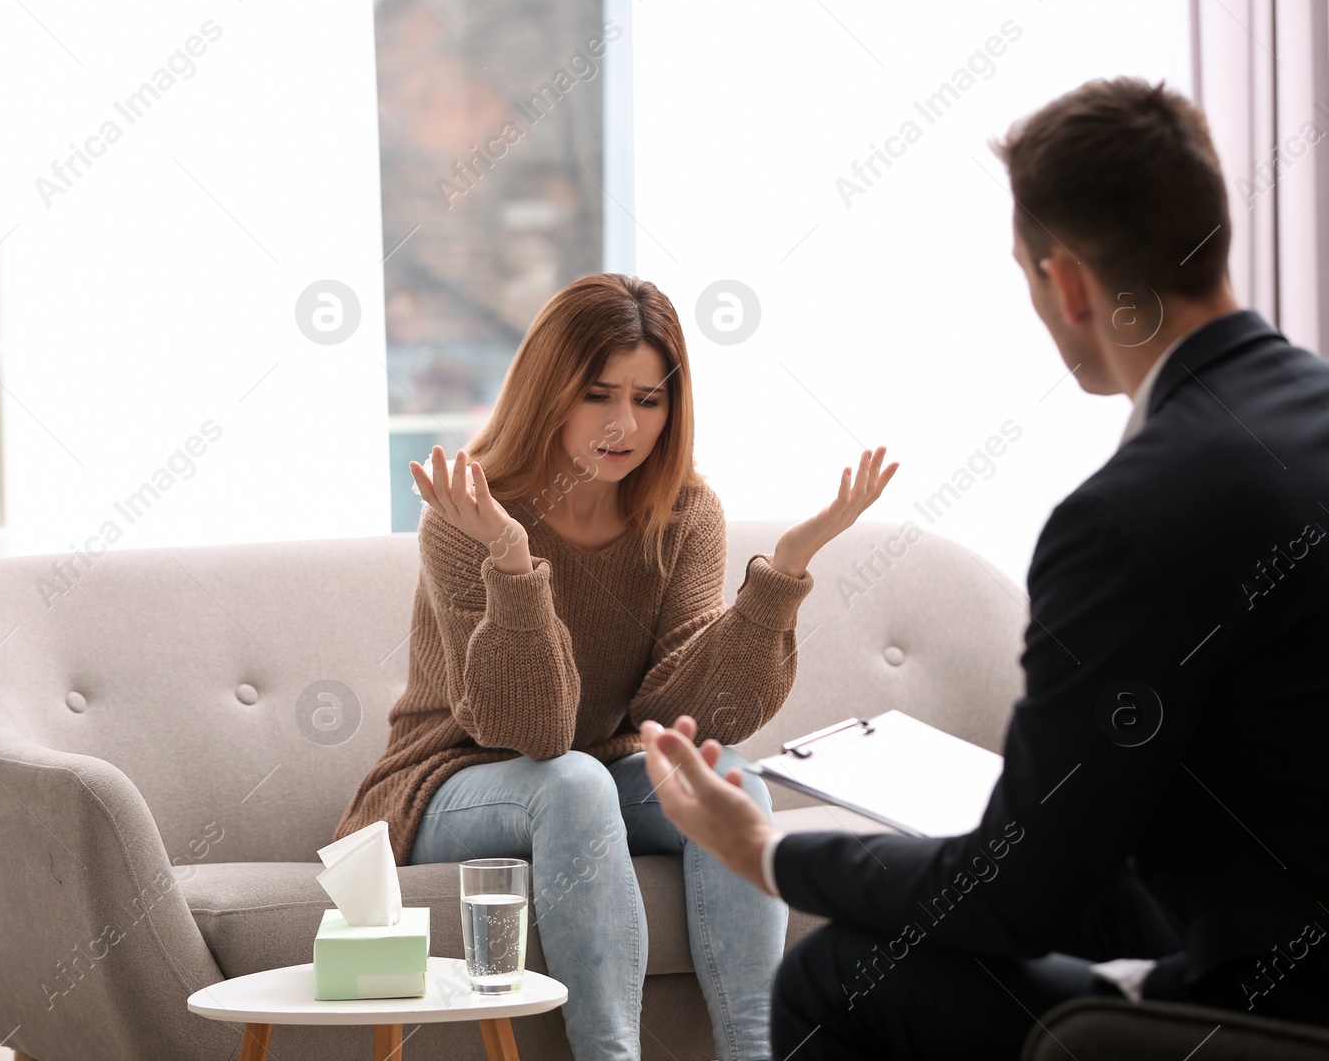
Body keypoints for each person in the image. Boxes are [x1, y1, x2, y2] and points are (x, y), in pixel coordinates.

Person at [638, 75, 1329, 1060]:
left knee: (837, 975)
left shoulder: (1131, 513)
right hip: (1271, 929)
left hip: (1274, 1017)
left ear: (1071, 284)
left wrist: (764, 850)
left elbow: (1018, 899)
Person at [334, 271, 896, 1061]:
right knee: (571, 781)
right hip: (451, 778)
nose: (625, 423)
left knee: (729, 778)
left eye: (650, 398)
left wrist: (782, 574)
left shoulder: (685, 513)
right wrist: (512, 560)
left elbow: (700, 717)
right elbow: (532, 731)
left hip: (599, 767)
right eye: (598, 394)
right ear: (549, 392)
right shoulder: (471, 515)